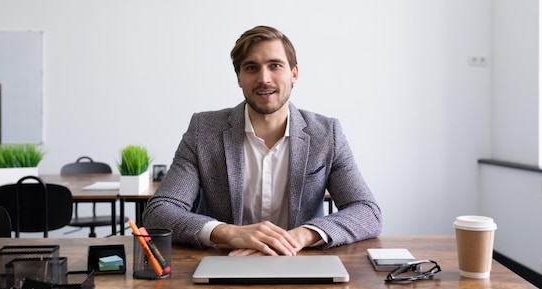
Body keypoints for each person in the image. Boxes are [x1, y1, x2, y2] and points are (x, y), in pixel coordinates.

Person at [143, 25, 381, 256]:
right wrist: (229, 233)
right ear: (239, 77)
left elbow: (367, 211)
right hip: (227, 263)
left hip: (297, 260)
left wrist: (298, 237)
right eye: (251, 68)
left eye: (275, 66)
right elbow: (159, 212)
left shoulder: (326, 134)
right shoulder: (204, 131)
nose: (264, 78)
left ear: (294, 73)